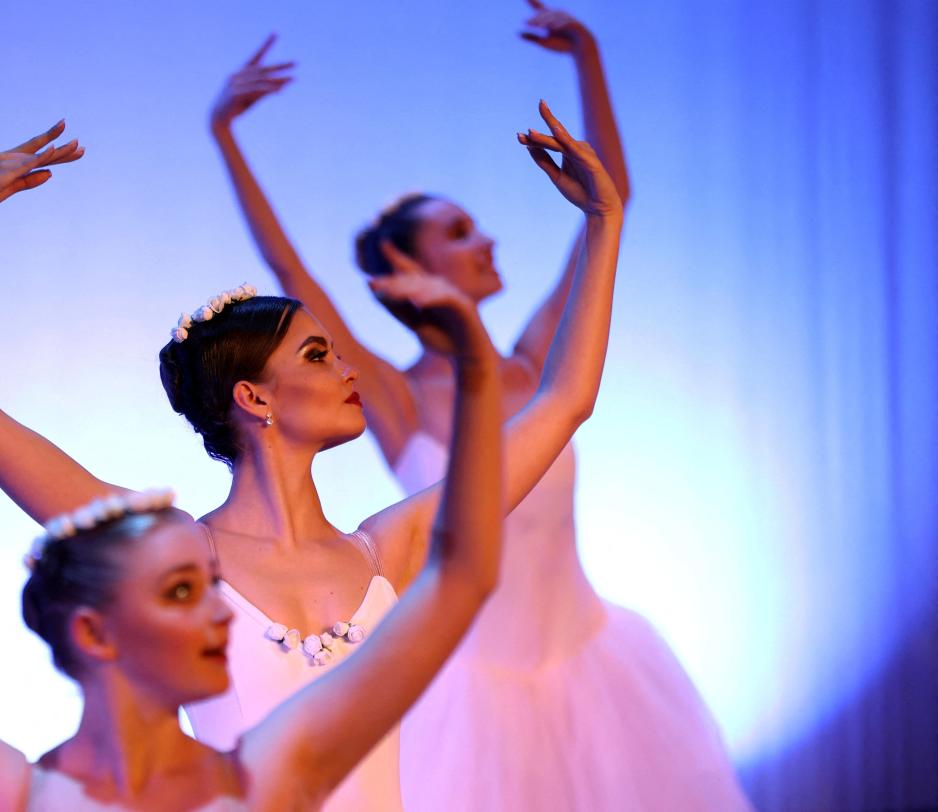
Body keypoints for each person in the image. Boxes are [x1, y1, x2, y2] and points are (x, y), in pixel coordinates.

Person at [0, 98, 620, 809]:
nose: (348, 370)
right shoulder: (172, 550)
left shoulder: (392, 550)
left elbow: (565, 401)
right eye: (319, 355)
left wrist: (604, 224)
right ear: (254, 397)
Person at [208, 5, 748, 810]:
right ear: (402, 263)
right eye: (458, 233)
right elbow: (285, 263)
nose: (486, 241)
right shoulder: (385, 395)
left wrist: (588, 58)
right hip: (466, 703)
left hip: (594, 670)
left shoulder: (535, 369)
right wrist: (224, 135)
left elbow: (611, 207)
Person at [0, 258, 504, 808]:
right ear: (94, 630)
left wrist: (475, 365)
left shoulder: (273, 777)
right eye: (186, 588)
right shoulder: (12, 796)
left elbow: (464, 575)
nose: (222, 606)